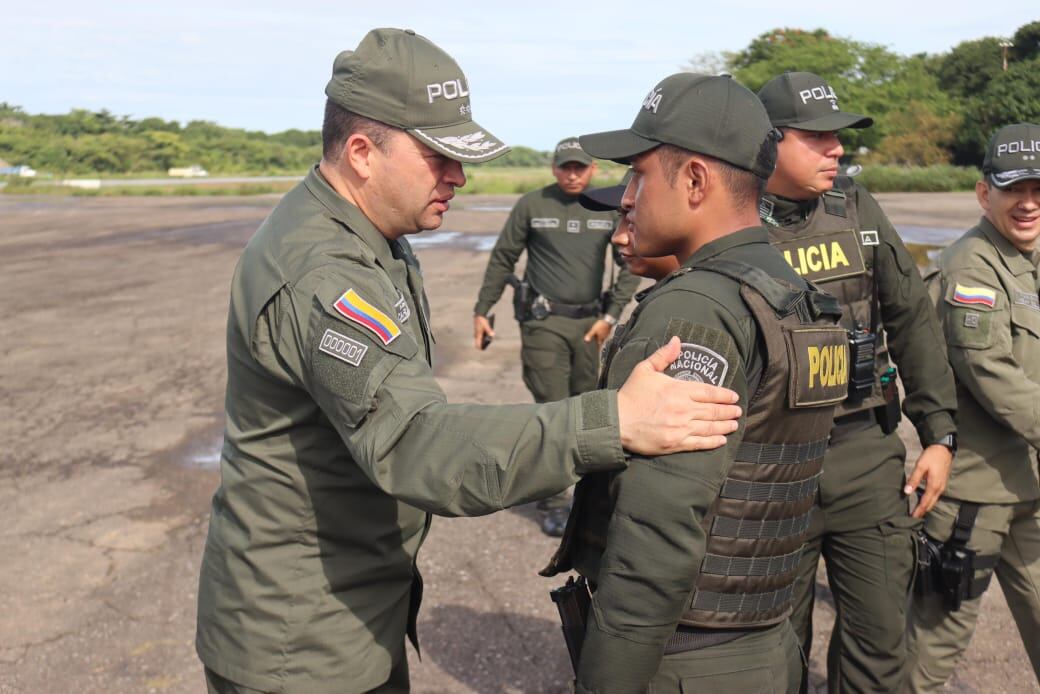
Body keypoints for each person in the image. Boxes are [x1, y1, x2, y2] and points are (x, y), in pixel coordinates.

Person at [194, 29, 746, 694]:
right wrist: (613, 422)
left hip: (345, 607)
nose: (458, 176)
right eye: (438, 157)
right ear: (362, 153)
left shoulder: (371, 235)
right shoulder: (323, 271)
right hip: (299, 642)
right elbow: (415, 444)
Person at [542, 72, 851, 693]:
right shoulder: (794, 295)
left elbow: (655, 540)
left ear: (694, 181)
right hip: (765, 642)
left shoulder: (695, 312)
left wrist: (605, 682)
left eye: (638, 176)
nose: (627, 199)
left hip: (685, 655)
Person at [755, 71, 959, 692]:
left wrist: (939, 434)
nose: (837, 148)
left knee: (879, 650)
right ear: (767, 140)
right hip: (767, 465)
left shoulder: (855, 207)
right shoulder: (729, 220)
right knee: (770, 655)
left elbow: (911, 317)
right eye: (817, 137)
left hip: (863, 453)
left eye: (838, 136)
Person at [907, 123, 1040, 691]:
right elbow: (993, 373)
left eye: (1038, 188)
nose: (1028, 202)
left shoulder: (1030, 257)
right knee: (929, 655)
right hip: (974, 499)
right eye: (1014, 189)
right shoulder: (971, 266)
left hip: (1029, 487)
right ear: (985, 193)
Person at [473, 138, 641, 536]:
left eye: (580, 167)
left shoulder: (606, 208)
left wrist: (611, 315)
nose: (572, 174)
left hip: (589, 327)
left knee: (587, 410)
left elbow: (629, 262)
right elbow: (503, 257)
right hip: (543, 323)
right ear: (554, 168)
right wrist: (483, 309)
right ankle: (552, 502)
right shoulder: (533, 205)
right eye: (565, 167)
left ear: (592, 170)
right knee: (551, 410)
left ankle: (586, 496)